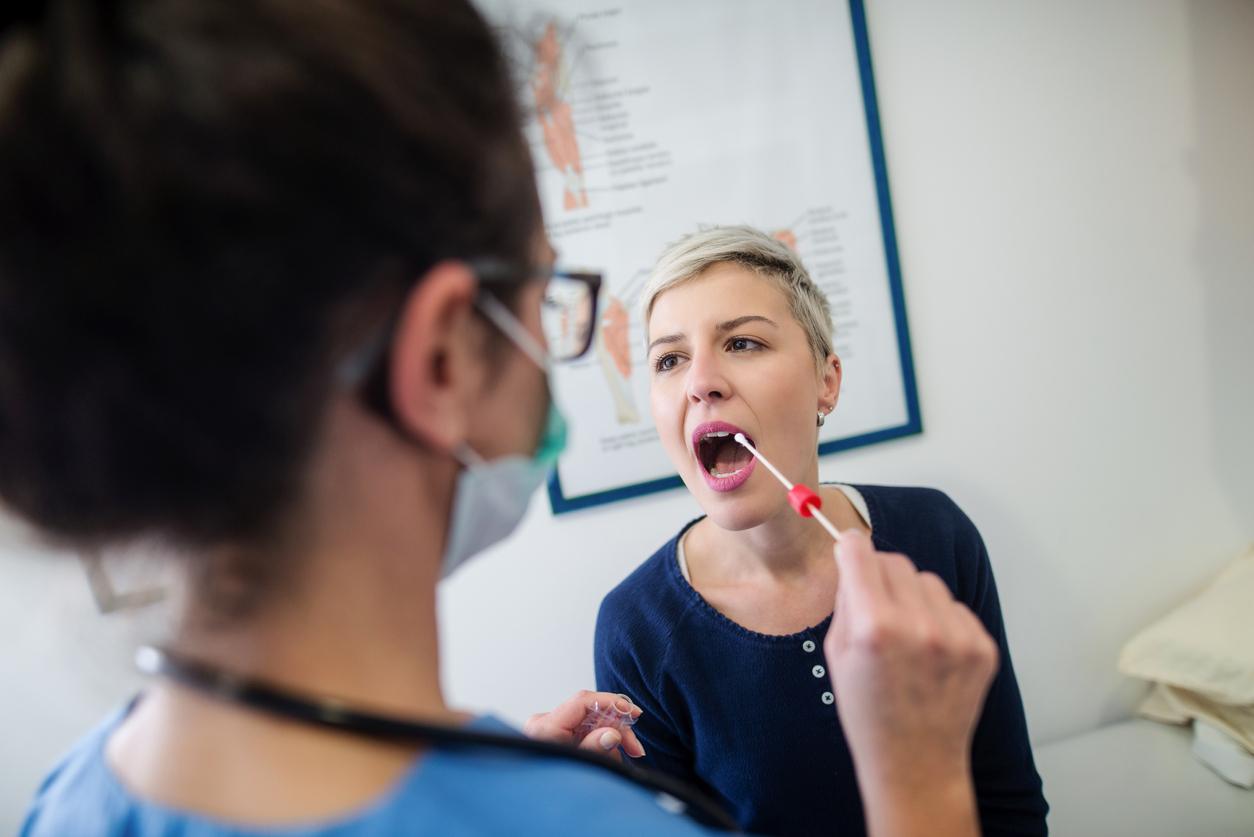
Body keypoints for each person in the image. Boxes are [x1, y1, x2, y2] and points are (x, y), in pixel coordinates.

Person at [1, 2, 997, 835]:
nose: (699, 381)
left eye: (742, 342)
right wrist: (920, 788)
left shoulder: (70, 803)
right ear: (442, 356)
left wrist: (498, 782)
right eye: (540, 291)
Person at [595, 227, 1049, 835]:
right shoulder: (636, 629)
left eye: (744, 342)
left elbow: (1009, 803)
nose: (700, 381)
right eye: (669, 360)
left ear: (826, 381)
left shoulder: (937, 536)